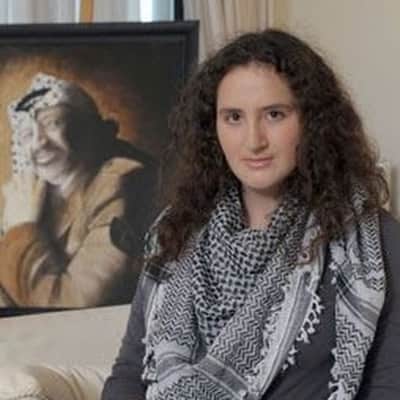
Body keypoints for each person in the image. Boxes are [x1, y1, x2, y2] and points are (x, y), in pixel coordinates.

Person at [102, 29, 400, 400]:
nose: (254, 140)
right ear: (212, 128)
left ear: (312, 121)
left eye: (274, 115)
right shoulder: (175, 232)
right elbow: (130, 374)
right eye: (233, 117)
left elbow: (389, 388)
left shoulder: (373, 243)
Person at [0, 73, 157, 309]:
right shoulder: (33, 196)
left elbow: (69, 303)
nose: (39, 143)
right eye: (26, 134)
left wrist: (21, 229)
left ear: (88, 130)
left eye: (53, 123)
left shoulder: (122, 183)